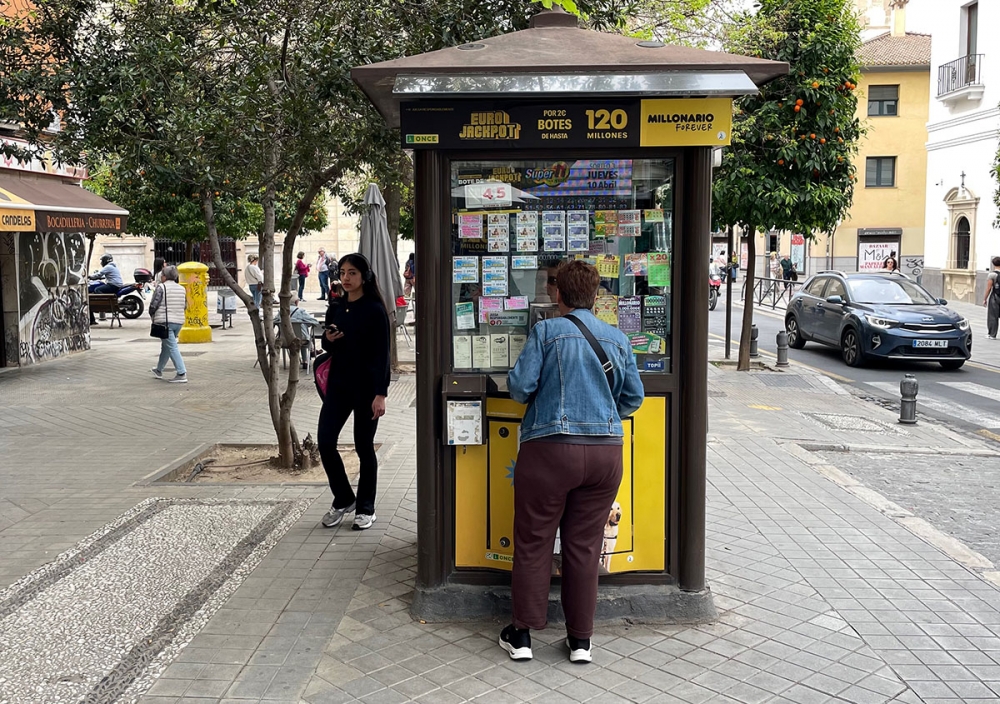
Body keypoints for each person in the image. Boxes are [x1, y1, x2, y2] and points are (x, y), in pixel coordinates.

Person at [499, 260, 644, 664]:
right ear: (596, 297)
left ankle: (522, 635)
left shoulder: (546, 332)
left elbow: (520, 388)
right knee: (584, 546)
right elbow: (633, 398)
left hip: (549, 451)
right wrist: (601, 413)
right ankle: (581, 641)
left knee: (534, 541)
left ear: (558, 293)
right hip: (604, 455)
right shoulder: (617, 338)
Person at [318, 253, 391, 532]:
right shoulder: (336, 307)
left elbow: (383, 354)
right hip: (338, 386)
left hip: (367, 389)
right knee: (325, 441)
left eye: (352, 273)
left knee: (363, 446)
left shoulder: (374, 309)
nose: (346, 278)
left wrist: (380, 394)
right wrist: (328, 339)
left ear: (365, 277)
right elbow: (328, 347)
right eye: (343, 273)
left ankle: (366, 508)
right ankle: (344, 498)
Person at [149, 266, 189, 383]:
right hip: (178, 322)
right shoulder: (182, 288)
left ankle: (181, 373)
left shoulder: (161, 287)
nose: (161, 277)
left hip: (165, 322)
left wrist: (152, 315)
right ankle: (159, 370)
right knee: (167, 346)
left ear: (165, 277)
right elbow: (185, 305)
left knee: (172, 347)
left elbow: (154, 304)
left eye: (162, 275)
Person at [275, 302, 319, 369]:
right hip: (300, 339)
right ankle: (305, 361)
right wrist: (305, 324)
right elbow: (314, 321)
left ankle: (308, 355)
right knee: (302, 338)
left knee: (300, 337)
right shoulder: (300, 311)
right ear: (296, 302)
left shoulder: (281, 312)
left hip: (285, 340)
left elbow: (274, 321)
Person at [88, 254, 124, 325]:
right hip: (116, 285)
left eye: (102, 261)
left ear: (105, 260)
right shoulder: (113, 266)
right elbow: (105, 276)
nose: (101, 262)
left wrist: (90, 277)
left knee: (97, 290)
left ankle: (103, 302)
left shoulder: (108, 267)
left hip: (113, 285)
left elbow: (99, 274)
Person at [984, 256, 1000, 340]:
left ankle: (992, 334)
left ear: (993, 264)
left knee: (993, 316)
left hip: (995, 297)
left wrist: (985, 299)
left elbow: (989, 288)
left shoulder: (992, 275)